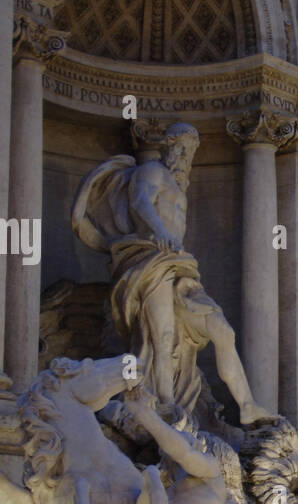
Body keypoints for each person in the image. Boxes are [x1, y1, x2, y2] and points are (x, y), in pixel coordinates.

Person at [72, 123, 273, 426]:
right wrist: (161, 232)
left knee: (222, 330)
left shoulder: (179, 187)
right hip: (152, 260)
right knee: (162, 337)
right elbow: (140, 202)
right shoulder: (152, 171)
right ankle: (165, 408)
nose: (185, 155)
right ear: (168, 147)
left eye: (190, 150)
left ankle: (247, 405)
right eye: (181, 148)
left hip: (180, 267)